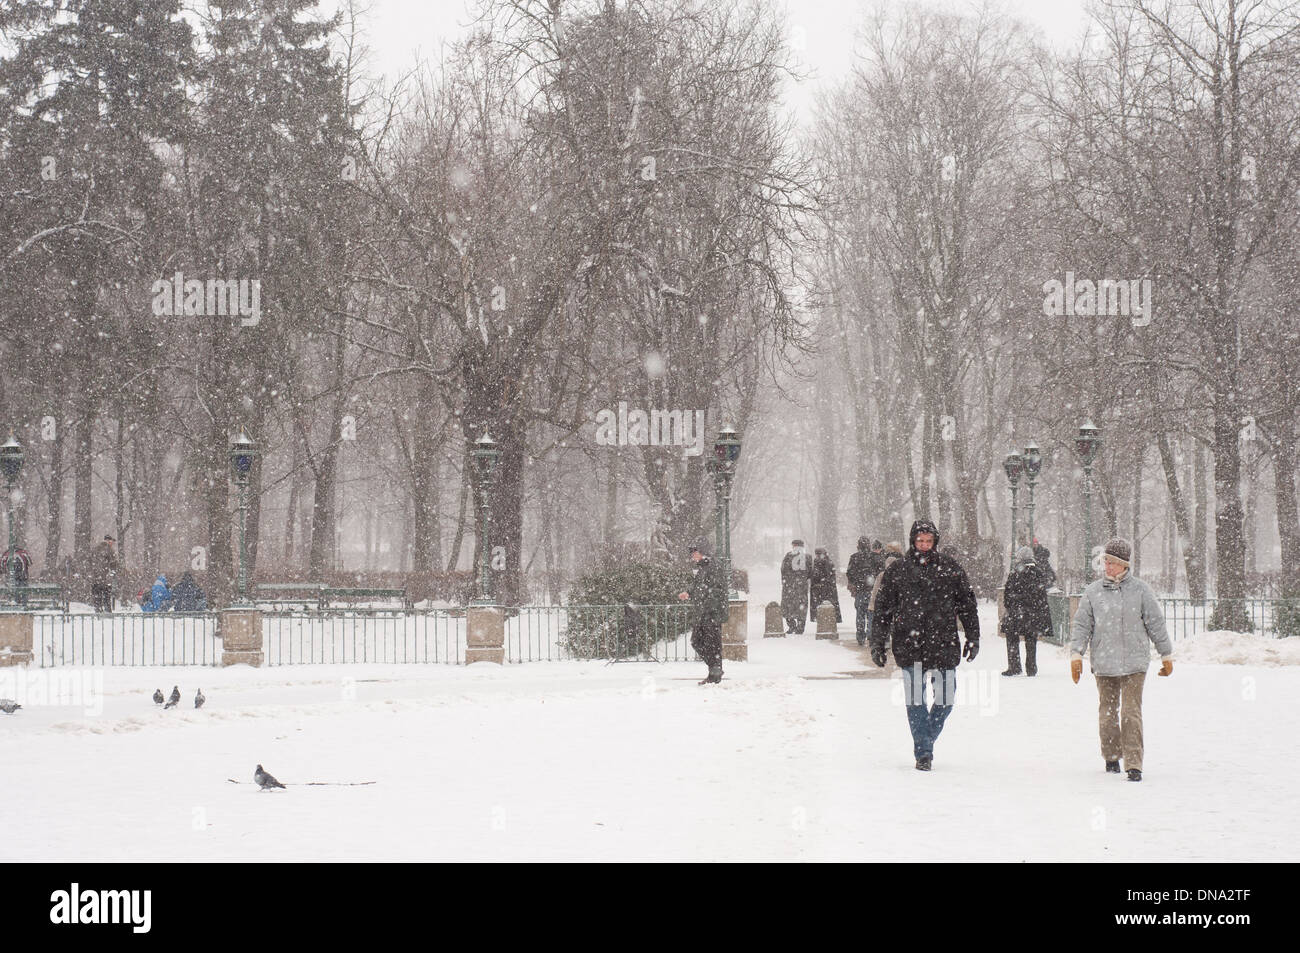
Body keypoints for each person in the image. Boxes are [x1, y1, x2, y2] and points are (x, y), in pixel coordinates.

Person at [870, 519, 980, 771]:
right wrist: (877, 642)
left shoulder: (950, 568)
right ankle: (924, 753)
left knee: (946, 699)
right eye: (920, 540)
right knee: (915, 701)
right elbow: (883, 610)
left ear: (935, 541)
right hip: (909, 642)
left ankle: (924, 739)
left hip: (943, 641)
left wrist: (973, 637)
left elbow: (967, 604)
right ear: (912, 541)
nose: (924, 545)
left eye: (929, 541)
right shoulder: (898, 570)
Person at [1069, 537, 1173, 782]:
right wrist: (1076, 654)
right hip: (1104, 663)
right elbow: (1082, 625)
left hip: (1134, 663)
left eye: (1112, 562)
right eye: (1105, 561)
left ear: (1124, 564)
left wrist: (1166, 654)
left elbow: (1155, 623)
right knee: (1107, 713)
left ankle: (1134, 763)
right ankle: (1111, 755)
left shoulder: (1141, 591)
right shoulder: (1093, 592)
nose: (1107, 566)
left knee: (1130, 712)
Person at [679, 540, 727, 684]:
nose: (692, 556)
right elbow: (698, 586)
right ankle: (715, 669)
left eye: (694, 553)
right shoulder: (703, 568)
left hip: (712, 614)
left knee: (712, 644)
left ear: (702, 552)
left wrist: (708, 607)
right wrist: (688, 592)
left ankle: (714, 674)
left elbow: (717, 590)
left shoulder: (714, 566)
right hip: (703, 613)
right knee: (697, 641)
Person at [1001, 546, 1050, 676]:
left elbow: (1007, 593)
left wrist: (1011, 604)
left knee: (1012, 638)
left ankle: (1014, 666)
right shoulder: (1038, 572)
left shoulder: (1015, 572)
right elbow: (1041, 595)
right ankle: (1031, 667)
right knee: (1031, 640)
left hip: (1016, 612)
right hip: (1033, 613)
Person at [846, 538, 886, 646]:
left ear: (858, 546)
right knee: (871, 613)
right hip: (873, 590)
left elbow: (849, 573)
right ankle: (871, 634)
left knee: (860, 613)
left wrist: (856, 582)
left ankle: (860, 635)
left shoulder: (854, 557)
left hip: (860, 590)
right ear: (869, 545)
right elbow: (882, 572)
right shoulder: (876, 557)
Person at [779, 539, 811, 634]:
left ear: (793, 546)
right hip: (802, 586)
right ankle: (800, 627)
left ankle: (791, 626)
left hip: (789, 586)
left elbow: (783, 570)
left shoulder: (789, 556)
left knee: (788, 605)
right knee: (802, 606)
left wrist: (785, 581)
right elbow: (810, 572)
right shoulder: (807, 557)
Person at [809, 547, 842, 626]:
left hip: (823, 588)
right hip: (826, 588)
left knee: (823, 606)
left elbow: (820, 575)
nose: (817, 556)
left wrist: (819, 583)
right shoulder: (827, 562)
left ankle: (825, 621)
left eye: (818, 554)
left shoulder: (823, 562)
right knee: (828, 605)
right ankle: (828, 620)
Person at [90, 535, 119, 612]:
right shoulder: (110, 550)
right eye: (111, 542)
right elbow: (114, 563)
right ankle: (107, 613)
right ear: (108, 541)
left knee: (97, 597)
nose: (112, 544)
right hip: (106, 579)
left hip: (95, 579)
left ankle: (98, 611)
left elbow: (90, 562)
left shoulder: (95, 549)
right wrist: (113, 573)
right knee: (106, 598)